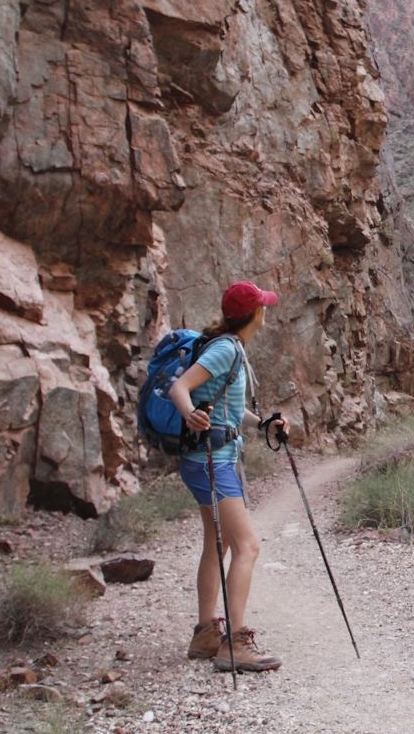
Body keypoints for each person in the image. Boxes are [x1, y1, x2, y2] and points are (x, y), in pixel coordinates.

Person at [169, 281, 289, 673]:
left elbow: (228, 409)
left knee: (218, 542)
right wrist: (189, 413)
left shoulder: (231, 349)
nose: (266, 311)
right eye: (263, 306)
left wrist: (263, 425)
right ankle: (235, 643)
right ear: (254, 314)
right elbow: (179, 388)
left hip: (210, 458)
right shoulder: (225, 349)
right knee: (248, 546)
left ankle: (206, 634)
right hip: (212, 461)